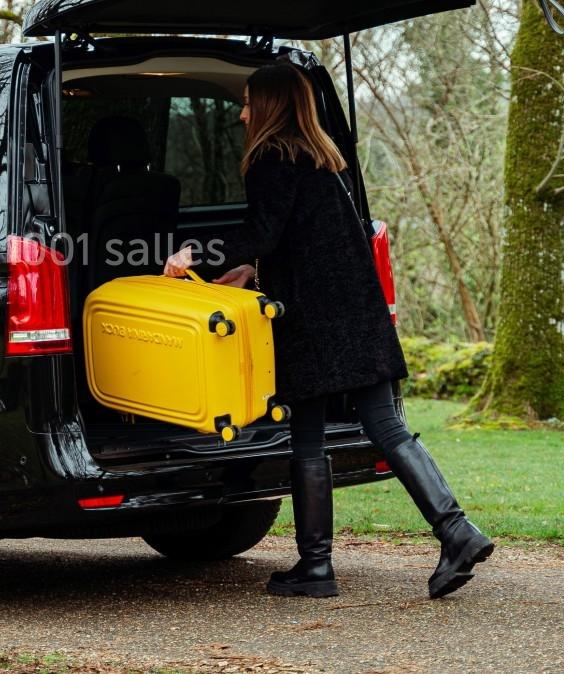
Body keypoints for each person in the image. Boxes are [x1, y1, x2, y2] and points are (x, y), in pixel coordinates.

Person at [163, 61, 493, 599]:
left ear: (269, 106)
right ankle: (454, 530)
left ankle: (319, 567)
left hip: (312, 319)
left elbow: (262, 229)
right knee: (386, 427)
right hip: (354, 311)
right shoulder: (326, 158)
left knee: (308, 439)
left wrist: (194, 252)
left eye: (248, 102)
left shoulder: (272, 156)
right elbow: (301, 235)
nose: (243, 112)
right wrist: (253, 269)